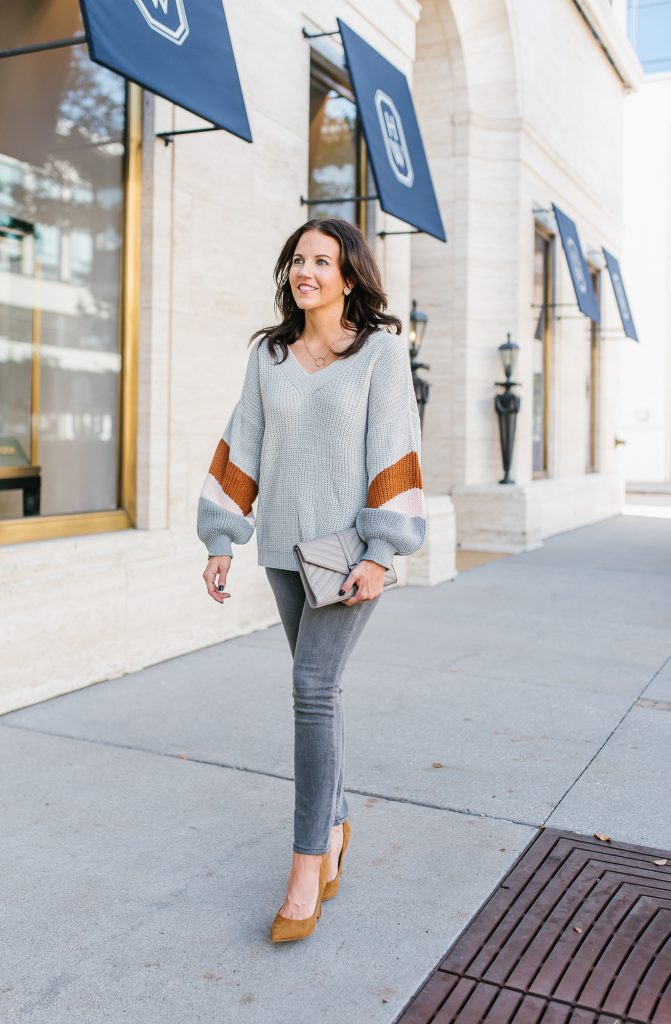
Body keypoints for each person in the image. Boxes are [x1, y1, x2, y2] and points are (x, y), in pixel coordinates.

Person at [197, 218, 426, 943]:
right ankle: (334, 826)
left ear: (349, 277)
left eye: (322, 261)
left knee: (310, 690)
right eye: (298, 259)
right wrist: (222, 537)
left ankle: (304, 868)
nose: (306, 271)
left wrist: (379, 552)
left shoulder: (380, 353)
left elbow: (394, 448)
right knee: (318, 695)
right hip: (281, 554)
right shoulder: (268, 356)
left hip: (347, 556)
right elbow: (244, 442)